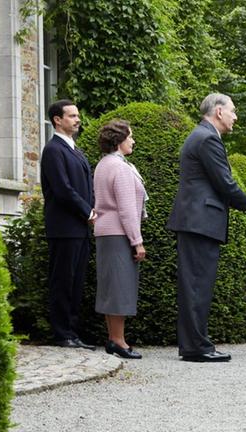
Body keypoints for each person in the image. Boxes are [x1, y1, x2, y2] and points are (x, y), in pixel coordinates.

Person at [167, 93, 246, 363]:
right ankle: (197, 347)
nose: (236, 116)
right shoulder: (208, 138)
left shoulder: (200, 135)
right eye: (232, 111)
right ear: (218, 111)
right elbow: (225, 181)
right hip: (200, 222)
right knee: (197, 285)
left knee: (194, 285)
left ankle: (193, 344)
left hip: (195, 221)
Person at [40, 99, 96, 350]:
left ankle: (73, 332)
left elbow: (86, 185)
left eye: (77, 115)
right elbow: (63, 189)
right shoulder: (53, 150)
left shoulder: (75, 149)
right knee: (63, 280)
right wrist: (87, 211)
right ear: (57, 120)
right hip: (63, 227)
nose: (77, 119)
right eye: (72, 116)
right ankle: (62, 333)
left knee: (76, 281)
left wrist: (91, 210)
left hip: (80, 227)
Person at [93, 120, 147, 359]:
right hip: (119, 233)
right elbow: (126, 209)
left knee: (110, 286)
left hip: (106, 232)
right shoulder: (121, 168)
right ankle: (118, 341)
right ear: (119, 141)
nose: (133, 141)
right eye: (130, 137)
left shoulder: (103, 164)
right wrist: (137, 241)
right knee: (120, 287)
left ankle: (114, 339)